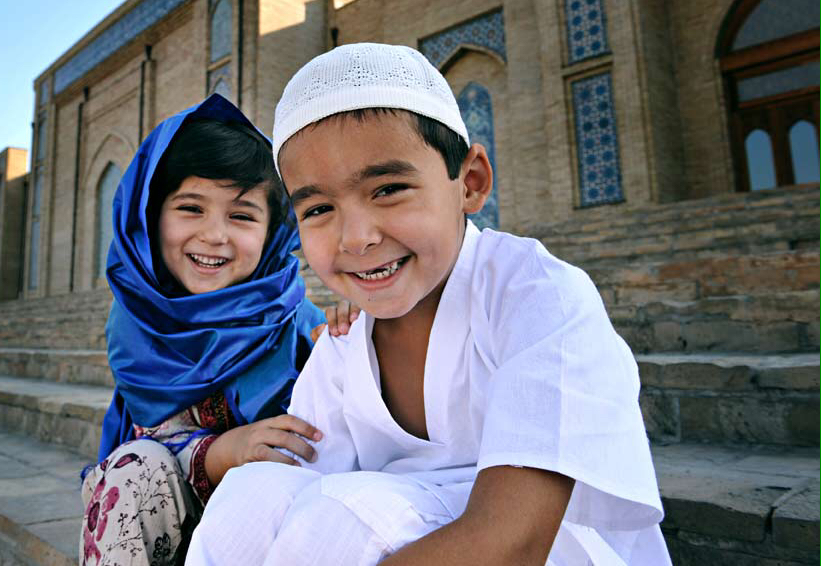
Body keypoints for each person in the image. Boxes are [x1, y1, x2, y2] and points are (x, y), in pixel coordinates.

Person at [186, 44, 671, 565]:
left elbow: (514, 541)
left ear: (471, 183)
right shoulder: (342, 349)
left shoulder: (537, 297)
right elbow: (289, 497)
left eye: (389, 189)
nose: (357, 238)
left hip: (547, 549)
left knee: (343, 518)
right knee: (251, 495)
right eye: (320, 209)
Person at [80, 94, 353, 566]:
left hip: (275, 519)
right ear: (149, 216)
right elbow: (154, 439)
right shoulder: (139, 325)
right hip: (173, 516)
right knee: (133, 470)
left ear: (272, 231)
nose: (214, 235)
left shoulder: (295, 320)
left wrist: (352, 345)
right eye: (191, 208)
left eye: (241, 216)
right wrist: (224, 452)